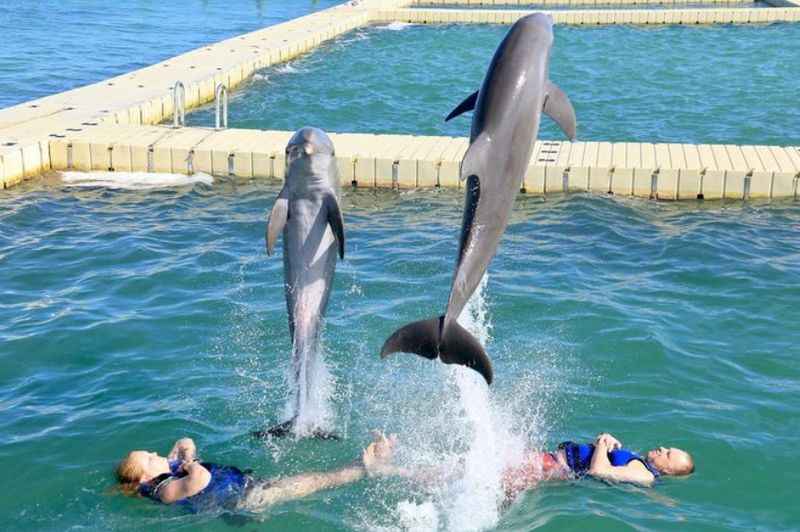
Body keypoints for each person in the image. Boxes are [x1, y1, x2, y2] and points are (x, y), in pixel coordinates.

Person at [115, 433, 397, 513]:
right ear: (144, 479)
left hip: (244, 487)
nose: (155, 454)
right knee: (314, 481)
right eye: (150, 459)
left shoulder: (168, 470)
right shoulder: (162, 490)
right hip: (245, 500)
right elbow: (199, 479)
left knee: (312, 479)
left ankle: (370, 466)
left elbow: (185, 441)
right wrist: (190, 463)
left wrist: (184, 455)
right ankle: (365, 469)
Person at [503, 432, 694, 498]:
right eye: (667, 448)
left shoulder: (645, 475)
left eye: (667, 454)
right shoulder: (640, 464)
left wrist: (603, 442)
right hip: (554, 462)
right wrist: (604, 443)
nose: (662, 448)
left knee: (501, 470)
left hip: (556, 467)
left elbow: (598, 471)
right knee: (502, 476)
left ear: (667, 470)